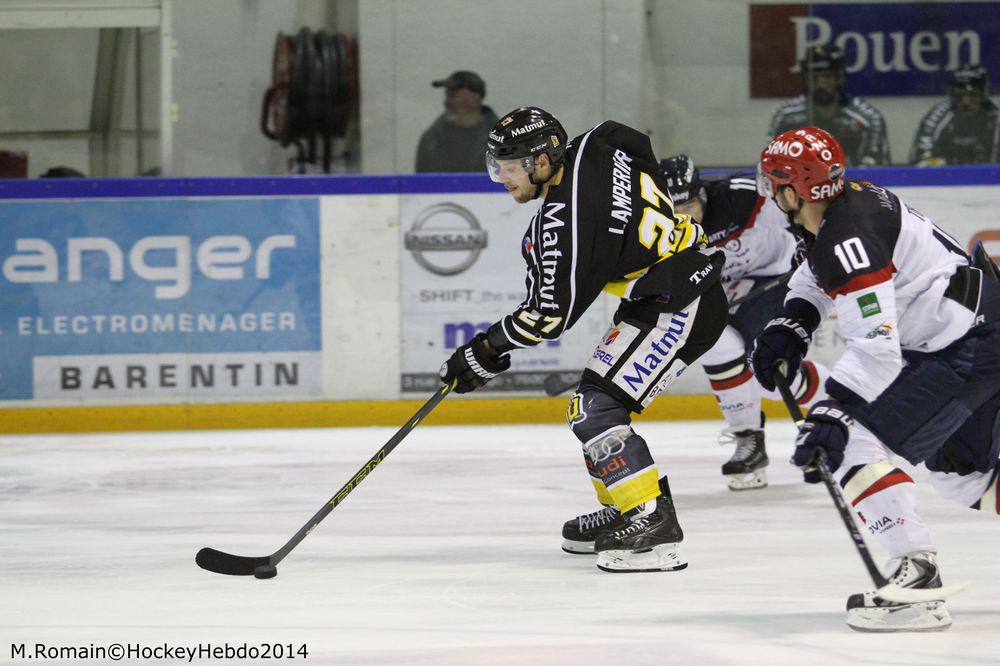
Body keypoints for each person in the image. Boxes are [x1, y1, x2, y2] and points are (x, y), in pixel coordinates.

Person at [439, 107, 730, 572]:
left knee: (595, 409)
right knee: (591, 403)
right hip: (675, 284)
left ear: (541, 161)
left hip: (679, 300)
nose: (502, 178)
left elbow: (548, 317)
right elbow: (635, 140)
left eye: (509, 167)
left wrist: (485, 350)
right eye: (497, 167)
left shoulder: (562, 225)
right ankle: (624, 507)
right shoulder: (596, 143)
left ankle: (652, 523)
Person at [751, 126, 1000, 632]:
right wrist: (793, 322)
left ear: (797, 189)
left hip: (963, 347)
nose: (771, 192)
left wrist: (833, 414)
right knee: (965, 477)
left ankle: (917, 583)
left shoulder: (849, 237)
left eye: (776, 182)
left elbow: (877, 351)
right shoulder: (847, 204)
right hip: (978, 329)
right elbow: (815, 270)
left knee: (852, 439)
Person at [659, 155, 830, 490]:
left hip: (775, 278)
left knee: (771, 372)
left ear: (702, 193)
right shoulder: (655, 226)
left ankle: (847, 402)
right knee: (714, 345)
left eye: (689, 205)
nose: (683, 217)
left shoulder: (742, 196)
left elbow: (802, 213)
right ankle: (748, 438)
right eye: (674, 210)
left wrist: (812, 248)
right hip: (720, 290)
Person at [768, 44, 890, 166]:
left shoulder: (868, 119)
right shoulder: (786, 116)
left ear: (840, 78)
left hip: (853, 179)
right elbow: (771, 164)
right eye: (814, 77)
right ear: (805, 79)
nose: (820, 84)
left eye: (827, 76)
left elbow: (881, 169)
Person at [909, 64, 1000, 166]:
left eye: (973, 95)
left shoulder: (996, 119)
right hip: (945, 175)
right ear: (952, 94)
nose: (965, 102)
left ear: (984, 95)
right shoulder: (936, 118)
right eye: (959, 95)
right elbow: (920, 159)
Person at [414, 71, 499, 173]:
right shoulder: (433, 139)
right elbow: (424, 178)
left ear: (475, 97)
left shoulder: (501, 139)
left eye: (454, 94)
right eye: (448, 94)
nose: (448, 101)